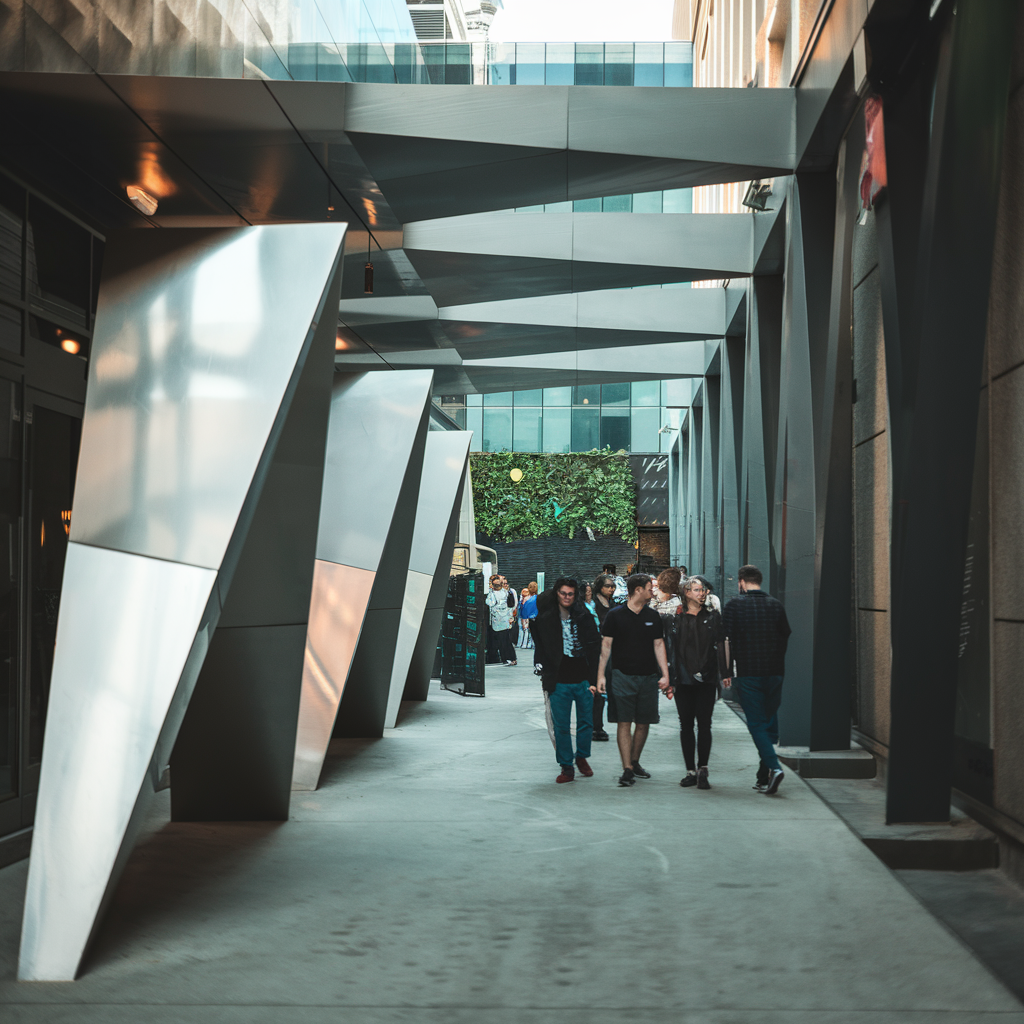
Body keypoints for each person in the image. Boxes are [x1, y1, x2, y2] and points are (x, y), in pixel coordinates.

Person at [721, 564, 792, 795]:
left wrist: (726, 671)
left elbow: (724, 639)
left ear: (741, 581)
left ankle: (774, 767)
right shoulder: (775, 605)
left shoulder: (734, 605)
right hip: (775, 672)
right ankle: (764, 776)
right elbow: (785, 635)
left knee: (757, 724)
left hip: (749, 672)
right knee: (769, 723)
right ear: (759, 580)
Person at [597, 574, 670, 787]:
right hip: (621, 675)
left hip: (648, 676)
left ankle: (634, 760)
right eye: (649, 588)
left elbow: (659, 645)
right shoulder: (615, 615)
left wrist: (665, 674)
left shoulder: (653, 616)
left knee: (644, 721)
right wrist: (601, 675)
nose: (652, 592)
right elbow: (605, 647)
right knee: (624, 721)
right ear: (638, 589)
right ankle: (627, 768)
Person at [532, 577, 601, 783]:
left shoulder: (584, 616)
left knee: (586, 723)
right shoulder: (546, 619)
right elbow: (541, 648)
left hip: (583, 679)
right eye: (563, 593)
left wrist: (595, 679)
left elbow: (595, 647)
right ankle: (566, 766)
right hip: (558, 680)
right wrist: (544, 674)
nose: (567, 597)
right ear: (557, 594)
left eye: (571, 594)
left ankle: (581, 757)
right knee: (561, 726)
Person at [664, 576, 726, 790]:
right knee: (686, 725)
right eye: (697, 589)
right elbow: (672, 651)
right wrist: (669, 678)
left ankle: (703, 768)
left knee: (705, 724)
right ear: (687, 593)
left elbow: (720, 645)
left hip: (707, 679)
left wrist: (723, 672)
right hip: (683, 680)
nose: (702, 593)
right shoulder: (676, 619)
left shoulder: (713, 617)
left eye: (703, 590)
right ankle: (691, 770)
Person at [590, 574, 617, 742]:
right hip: (598, 648)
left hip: (612, 648)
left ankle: (600, 724)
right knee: (598, 688)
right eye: (608, 586)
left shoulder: (612, 603)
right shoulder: (594, 604)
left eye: (613, 586)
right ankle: (596, 726)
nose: (611, 589)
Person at [485, 574, 517, 667]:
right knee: (505, 639)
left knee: (503, 640)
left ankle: (508, 658)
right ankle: (509, 658)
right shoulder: (506, 593)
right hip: (502, 619)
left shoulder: (495, 594)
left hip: (499, 619)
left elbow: (489, 603)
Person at [518, 582, 538, 649]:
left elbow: (524, 609)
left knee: (527, 631)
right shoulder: (537, 598)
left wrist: (524, 619)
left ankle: (525, 644)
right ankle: (532, 643)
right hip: (535, 616)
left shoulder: (526, 599)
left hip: (527, 616)